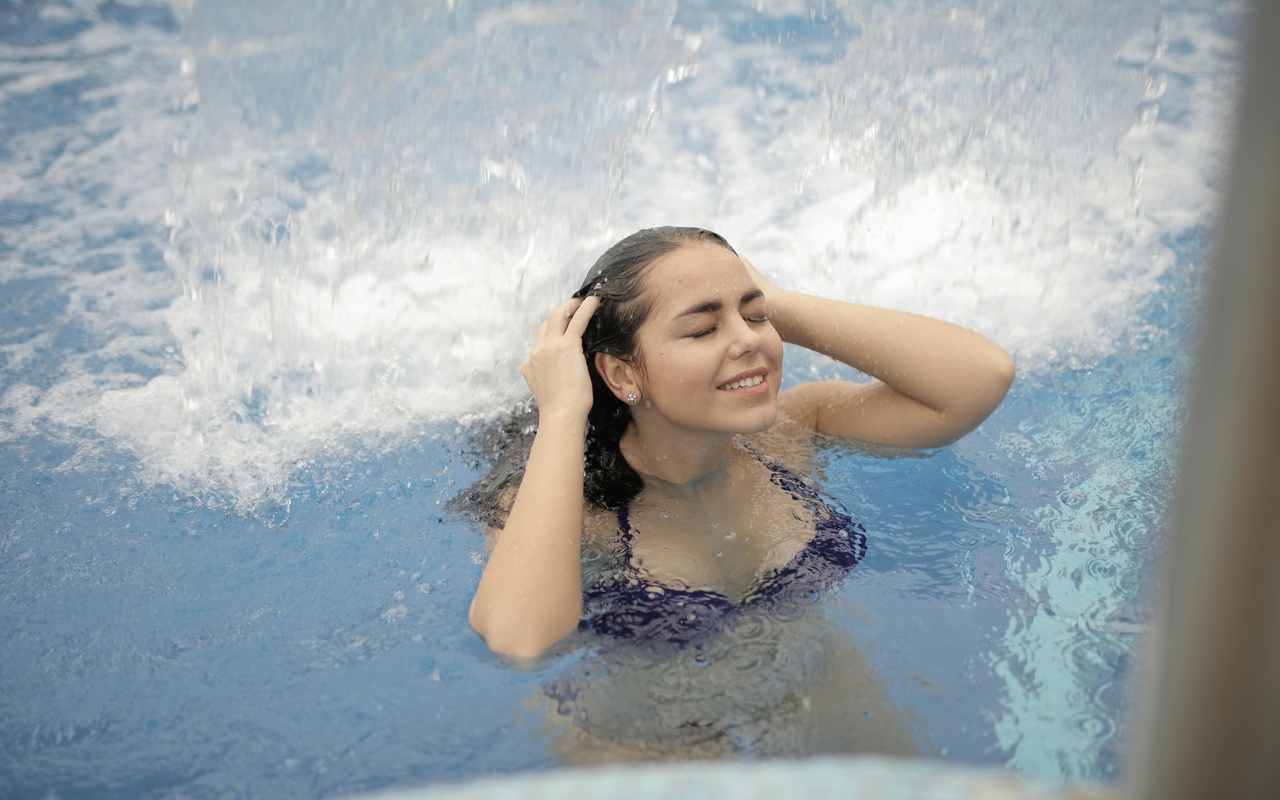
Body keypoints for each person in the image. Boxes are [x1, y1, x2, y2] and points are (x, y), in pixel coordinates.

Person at [463, 226, 1014, 760]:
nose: (749, 339)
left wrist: (778, 302)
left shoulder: (794, 433)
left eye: (754, 318)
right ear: (621, 373)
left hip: (811, 680)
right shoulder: (568, 508)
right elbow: (522, 642)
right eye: (704, 330)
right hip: (644, 731)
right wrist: (563, 409)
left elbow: (979, 378)